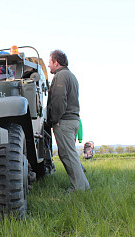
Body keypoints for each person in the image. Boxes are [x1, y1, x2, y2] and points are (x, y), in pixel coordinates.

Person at [47, 49, 89, 192]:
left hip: (64, 121)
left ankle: (79, 188)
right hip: (72, 120)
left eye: (50, 62)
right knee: (68, 153)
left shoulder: (61, 76)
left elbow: (59, 100)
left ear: (56, 62)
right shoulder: (71, 75)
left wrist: (55, 119)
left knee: (68, 155)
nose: (48, 66)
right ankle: (82, 184)